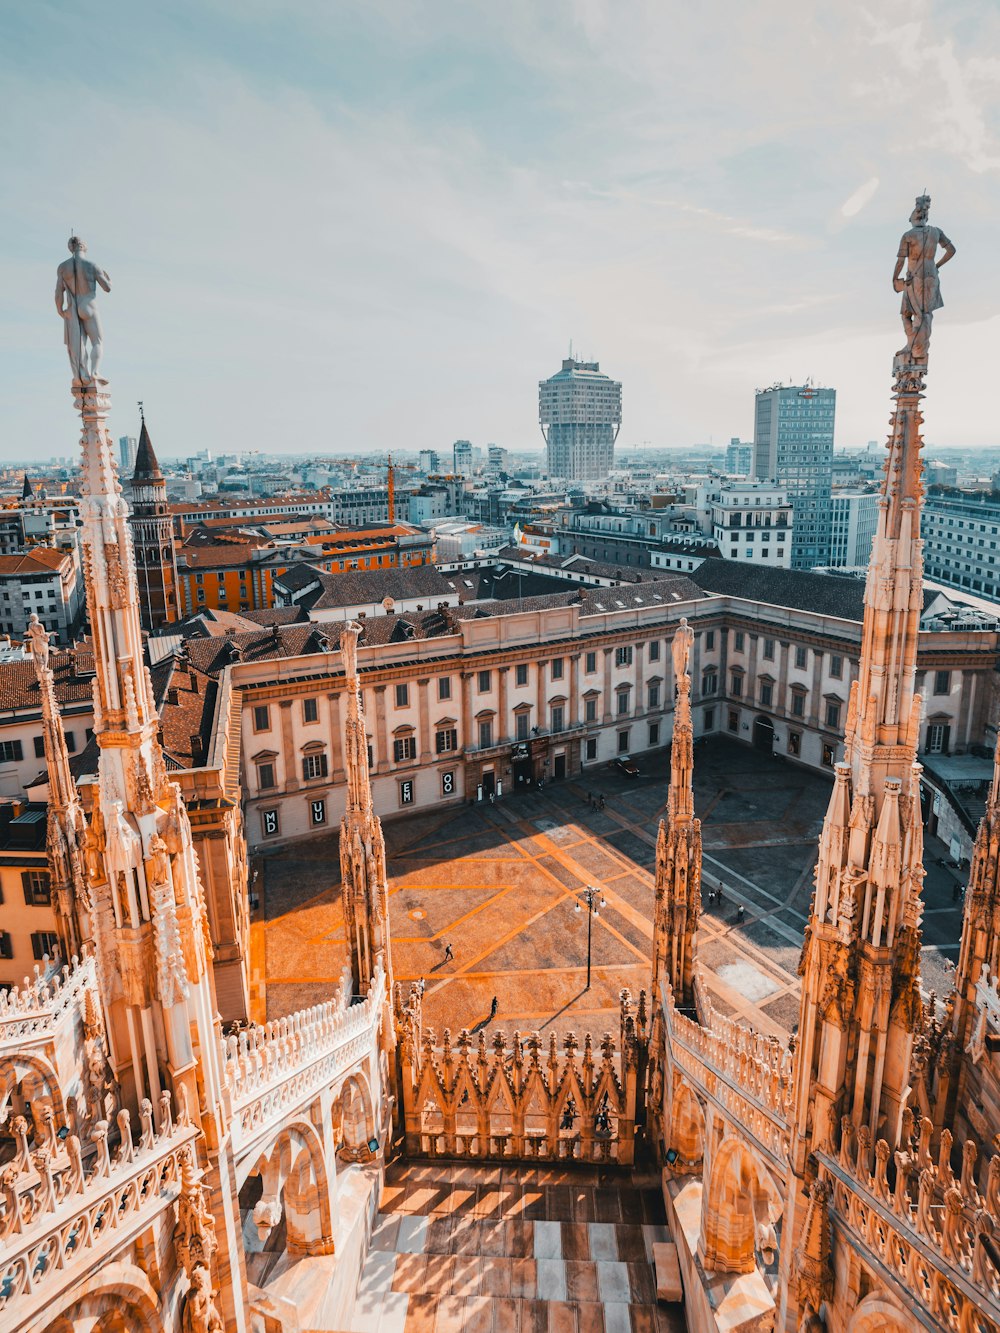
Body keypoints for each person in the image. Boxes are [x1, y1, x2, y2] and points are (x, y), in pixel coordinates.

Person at [55, 237, 112, 384]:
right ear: (84, 247)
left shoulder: (63, 267)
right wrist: (108, 279)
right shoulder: (92, 265)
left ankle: (82, 373)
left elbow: (58, 293)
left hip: (74, 307)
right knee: (97, 342)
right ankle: (94, 372)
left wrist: (60, 310)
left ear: (70, 248)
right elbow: (107, 288)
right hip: (89, 304)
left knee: (78, 343)